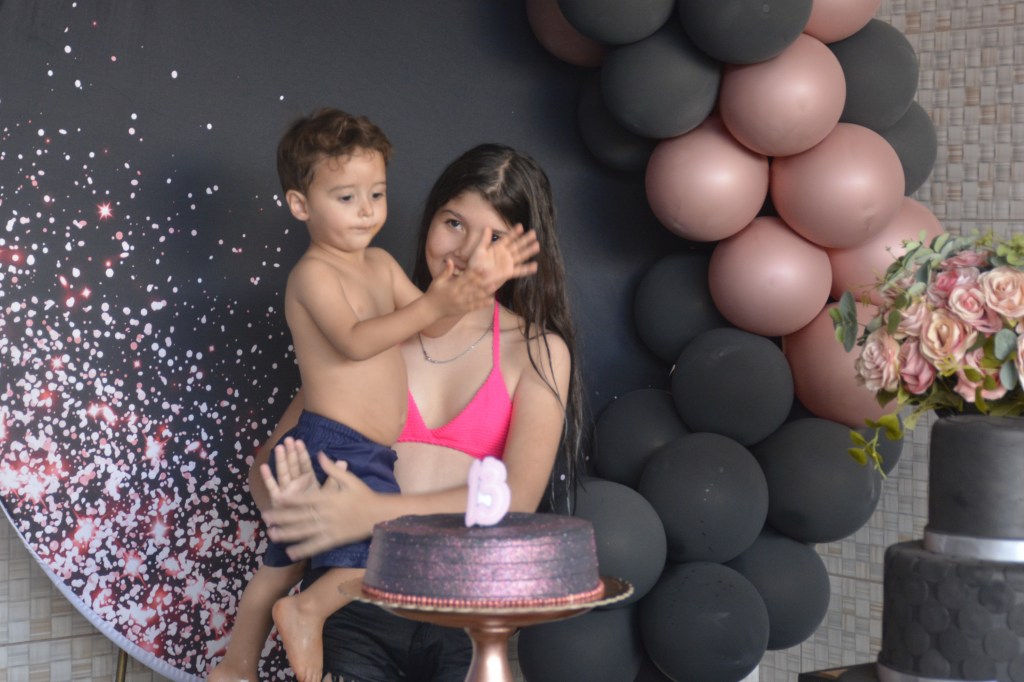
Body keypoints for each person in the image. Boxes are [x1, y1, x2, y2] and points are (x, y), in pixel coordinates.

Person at [208, 112, 539, 682]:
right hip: (339, 453)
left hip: (457, 605)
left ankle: (236, 666)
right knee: (359, 558)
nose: (366, 210)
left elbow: (434, 323)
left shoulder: (387, 271)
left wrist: (471, 290)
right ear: (301, 205)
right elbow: (356, 343)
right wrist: (293, 499)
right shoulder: (320, 279)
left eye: (377, 195)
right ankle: (300, 617)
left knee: (284, 566)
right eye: (455, 224)